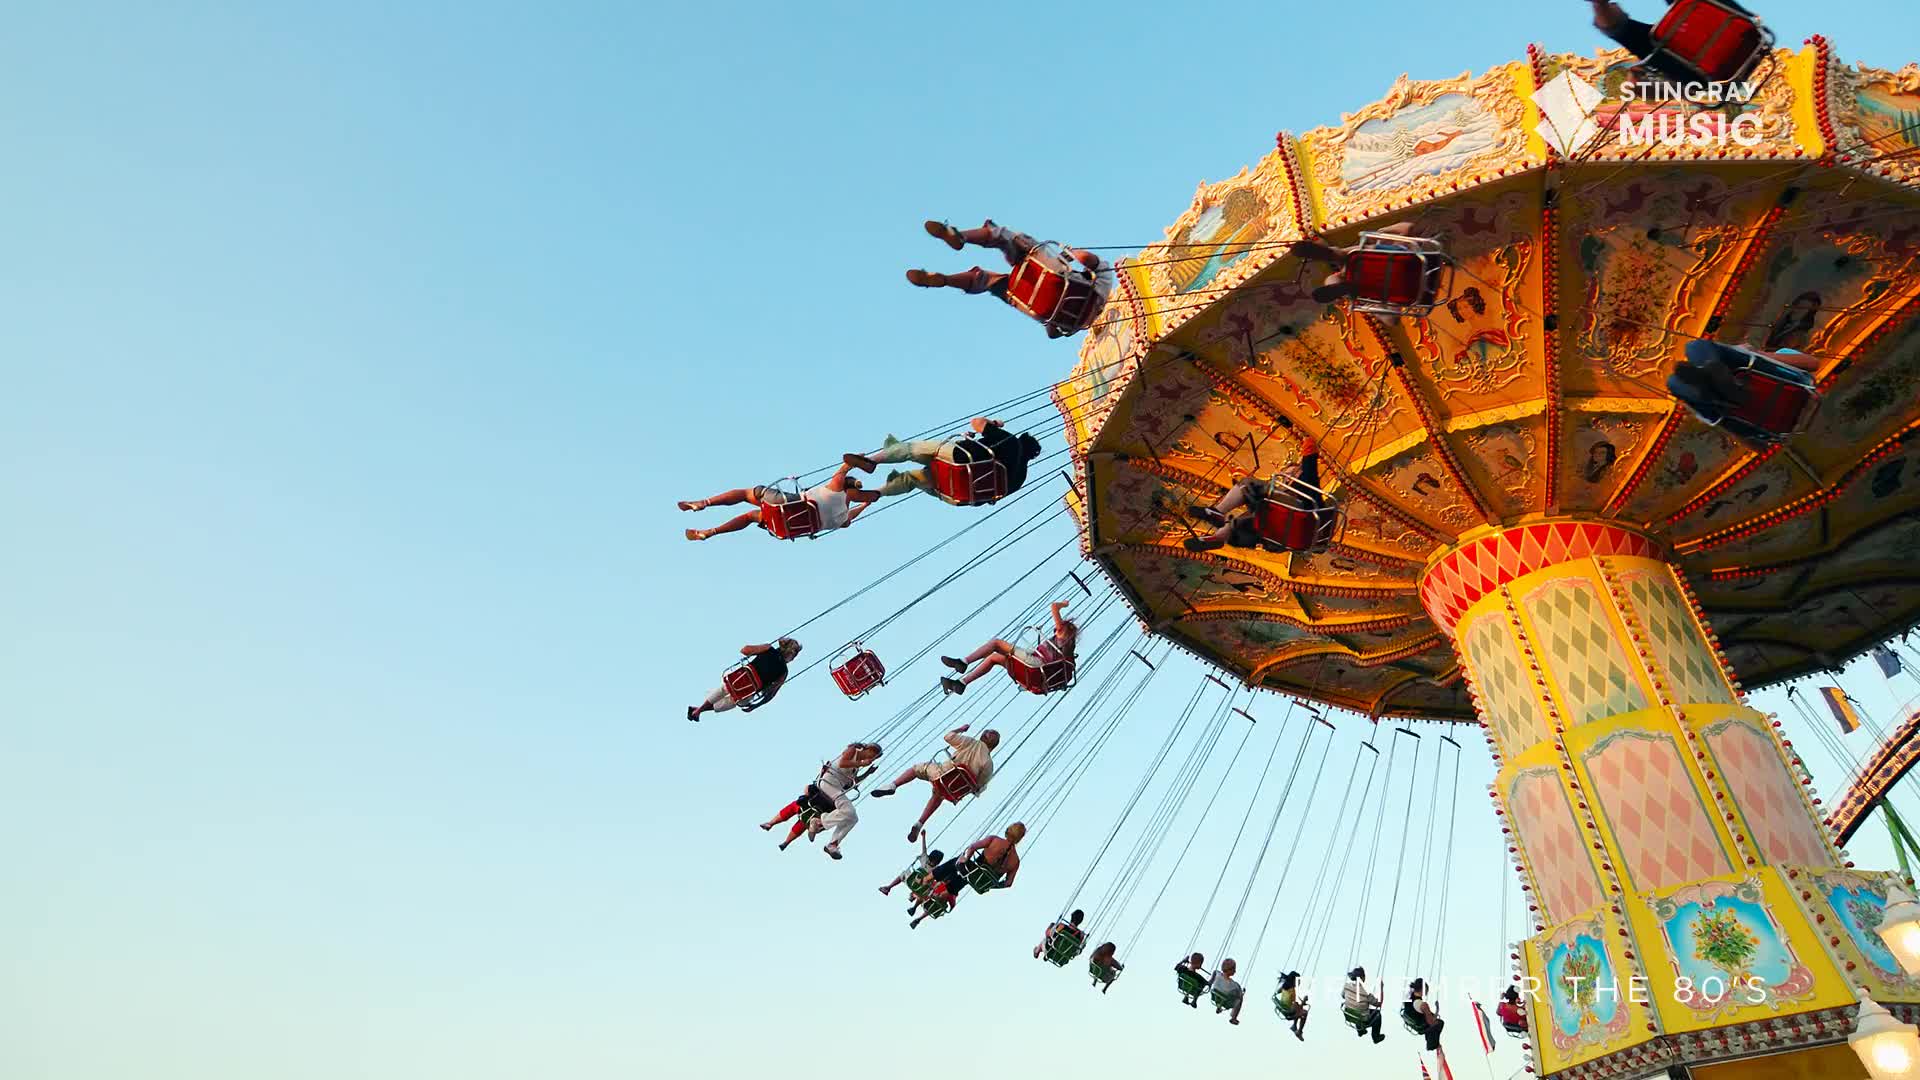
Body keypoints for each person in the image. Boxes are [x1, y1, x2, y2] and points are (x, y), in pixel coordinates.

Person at [907, 219, 1115, 338]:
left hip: (1052, 281)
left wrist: (1072, 253)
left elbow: (1085, 257)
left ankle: (959, 239)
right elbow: (1052, 334)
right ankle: (946, 279)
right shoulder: (1082, 319)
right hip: (1042, 307)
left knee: (1004, 237)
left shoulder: (1105, 285)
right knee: (990, 281)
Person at [842, 417, 1043, 502]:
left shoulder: (1011, 442)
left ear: (1021, 439)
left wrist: (994, 424)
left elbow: (977, 422)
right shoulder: (1020, 478)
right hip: (958, 492)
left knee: (912, 450)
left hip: (959, 459)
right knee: (912, 479)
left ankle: (873, 460)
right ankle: (877, 493)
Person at [1665, 337, 1818, 449]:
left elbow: (1760, 448)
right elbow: (1813, 363)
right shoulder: (1752, 363)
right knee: (1694, 347)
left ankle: (1715, 388)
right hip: (1788, 392)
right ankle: (1717, 379)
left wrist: (1760, 355)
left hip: (1747, 410)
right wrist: (1758, 355)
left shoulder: (1780, 353)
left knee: (1677, 383)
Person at [1184, 440, 1327, 553]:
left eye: (1290, 474)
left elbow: (1309, 464)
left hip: (1299, 516)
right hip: (1282, 534)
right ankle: (1217, 538)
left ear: (1298, 472)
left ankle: (1219, 511)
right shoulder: (1273, 508)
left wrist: (1308, 442)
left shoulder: (1307, 484)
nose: (1286, 479)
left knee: (1249, 484)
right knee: (1244, 521)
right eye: (1285, 477)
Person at [679, 461, 878, 541]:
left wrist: (855, 462)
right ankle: (710, 532)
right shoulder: (842, 518)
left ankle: (704, 503)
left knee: (747, 494)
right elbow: (850, 518)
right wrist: (864, 504)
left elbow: (842, 469)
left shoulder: (834, 489)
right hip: (788, 526)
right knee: (751, 516)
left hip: (789, 506)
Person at [869, 723, 999, 842]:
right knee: (938, 795)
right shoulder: (988, 763)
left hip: (942, 774)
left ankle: (893, 785)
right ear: (993, 746)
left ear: (982, 737)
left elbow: (948, 737)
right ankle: (919, 823)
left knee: (916, 769)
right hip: (954, 790)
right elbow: (979, 787)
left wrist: (961, 729)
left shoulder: (972, 742)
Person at [759, 742, 882, 859]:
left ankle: (833, 843)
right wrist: (861, 764)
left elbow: (852, 783)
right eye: (874, 756)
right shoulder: (853, 750)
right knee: (848, 811)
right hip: (828, 783)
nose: (873, 759)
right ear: (869, 750)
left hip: (837, 788)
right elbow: (843, 763)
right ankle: (819, 823)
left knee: (852, 817)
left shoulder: (857, 767)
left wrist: (868, 773)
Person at [1588, 1, 1763, 83]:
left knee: (1632, 36)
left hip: (1706, 71)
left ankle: (1600, 6)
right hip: (1739, 41)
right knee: (1636, 37)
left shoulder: (1657, 47)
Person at [940, 601, 1077, 696]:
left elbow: (1054, 607)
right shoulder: (1066, 650)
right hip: (1035, 674)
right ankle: (961, 683)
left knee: (996, 644)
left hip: (1034, 664)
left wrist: (1064, 604)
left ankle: (963, 662)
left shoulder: (1063, 634)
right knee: (994, 658)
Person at [911, 824, 1024, 929]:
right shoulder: (1015, 861)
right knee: (966, 879)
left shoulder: (994, 840)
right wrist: (991, 885)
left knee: (956, 862)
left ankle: (926, 880)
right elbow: (1008, 883)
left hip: (971, 869)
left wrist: (966, 858)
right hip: (979, 881)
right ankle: (944, 893)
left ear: (1008, 830)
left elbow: (972, 847)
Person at [1290, 221, 1426, 308]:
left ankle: (1340, 287)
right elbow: (1409, 227)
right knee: (1370, 249)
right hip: (1411, 264)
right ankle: (1338, 284)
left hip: (1409, 293)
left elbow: (1393, 321)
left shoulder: (1350, 271)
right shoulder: (1357, 254)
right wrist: (1382, 231)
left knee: (1342, 276)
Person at [687, 638, 801, 721]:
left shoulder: (768, 648)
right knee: (732, 702)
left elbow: (744, 650)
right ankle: (697, 711)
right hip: (746, 693)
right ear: (790, 655)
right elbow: (770, 694)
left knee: (724, 689)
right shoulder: (783, 672)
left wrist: (760, 649)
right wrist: (755, 706)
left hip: (738, 678)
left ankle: (698, 710)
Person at [878, 833, 945, 902]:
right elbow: (924, 848)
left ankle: (889, 887)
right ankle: (912, 895)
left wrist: (923, 836)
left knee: (904, 874)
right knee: (926, 885)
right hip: (921, 888)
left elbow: (924, 848)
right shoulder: (936, 869)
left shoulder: (925, 859)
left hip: (912, 881)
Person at [1343, 966, 1386, 1043]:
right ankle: (1375, 1037)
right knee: (1377, 1014)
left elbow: (1343, 995)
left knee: (1358, 1008)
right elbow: (1379, 1004)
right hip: (1361, 1017)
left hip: (1349, 1013)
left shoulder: (1346, 986)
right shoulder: (1366, 994)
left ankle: (1360, 1031)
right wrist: (1381, 989)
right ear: (1362, 978)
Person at [1404, 978, 1445, 1052]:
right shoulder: (1423, 1005)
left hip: (1412, 1019)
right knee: (1439, 1023)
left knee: (1431, 1021)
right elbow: (1431, 1022)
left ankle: (1431, 1042)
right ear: (1423, 990)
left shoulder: (1408, 998)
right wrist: (1437, 1010)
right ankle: (1432, 1045)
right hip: (1420, 1026)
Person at [1274, 970, 1310, 1040]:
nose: (1299, 982)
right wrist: (1304, 1001)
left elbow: (1279, 991)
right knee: (1304, 1013)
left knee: (1297, 1006)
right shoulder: (1292, 991)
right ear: (1293, 981)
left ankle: (1294, 1026)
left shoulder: (1284, 987)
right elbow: (1297, 1007)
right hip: (1288, 1011)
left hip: (1284, 1006)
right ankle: (1299, 1031)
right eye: (1298, 981)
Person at [1210, 958, 1246, 1025]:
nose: (1235, 971)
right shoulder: (1234, 985)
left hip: (1215, 995)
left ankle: (1219, 1006)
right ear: (1229, 969)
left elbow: (1214, 972)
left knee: (1224, 993)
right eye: (1234, 969)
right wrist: (1241, 993)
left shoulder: (1217, 974)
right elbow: (1238, 993)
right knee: (1239, 999)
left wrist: (1210, 982)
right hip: (1226, 1000)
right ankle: (1234, 1017)